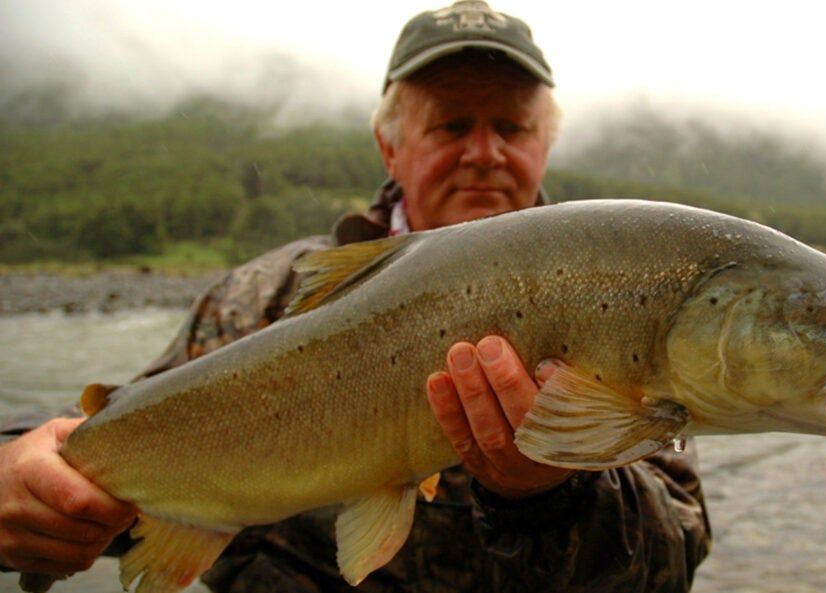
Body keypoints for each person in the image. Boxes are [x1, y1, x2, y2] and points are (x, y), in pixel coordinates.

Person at [0, 1, 711, 591]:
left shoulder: (628, 291)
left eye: (511, 126)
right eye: (452, 124)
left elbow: (673, 561)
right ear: (390, 147)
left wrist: (549, 493)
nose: (484, 152)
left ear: (544, 145)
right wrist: (20, 483)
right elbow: (98, 446)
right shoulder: (263, 298)